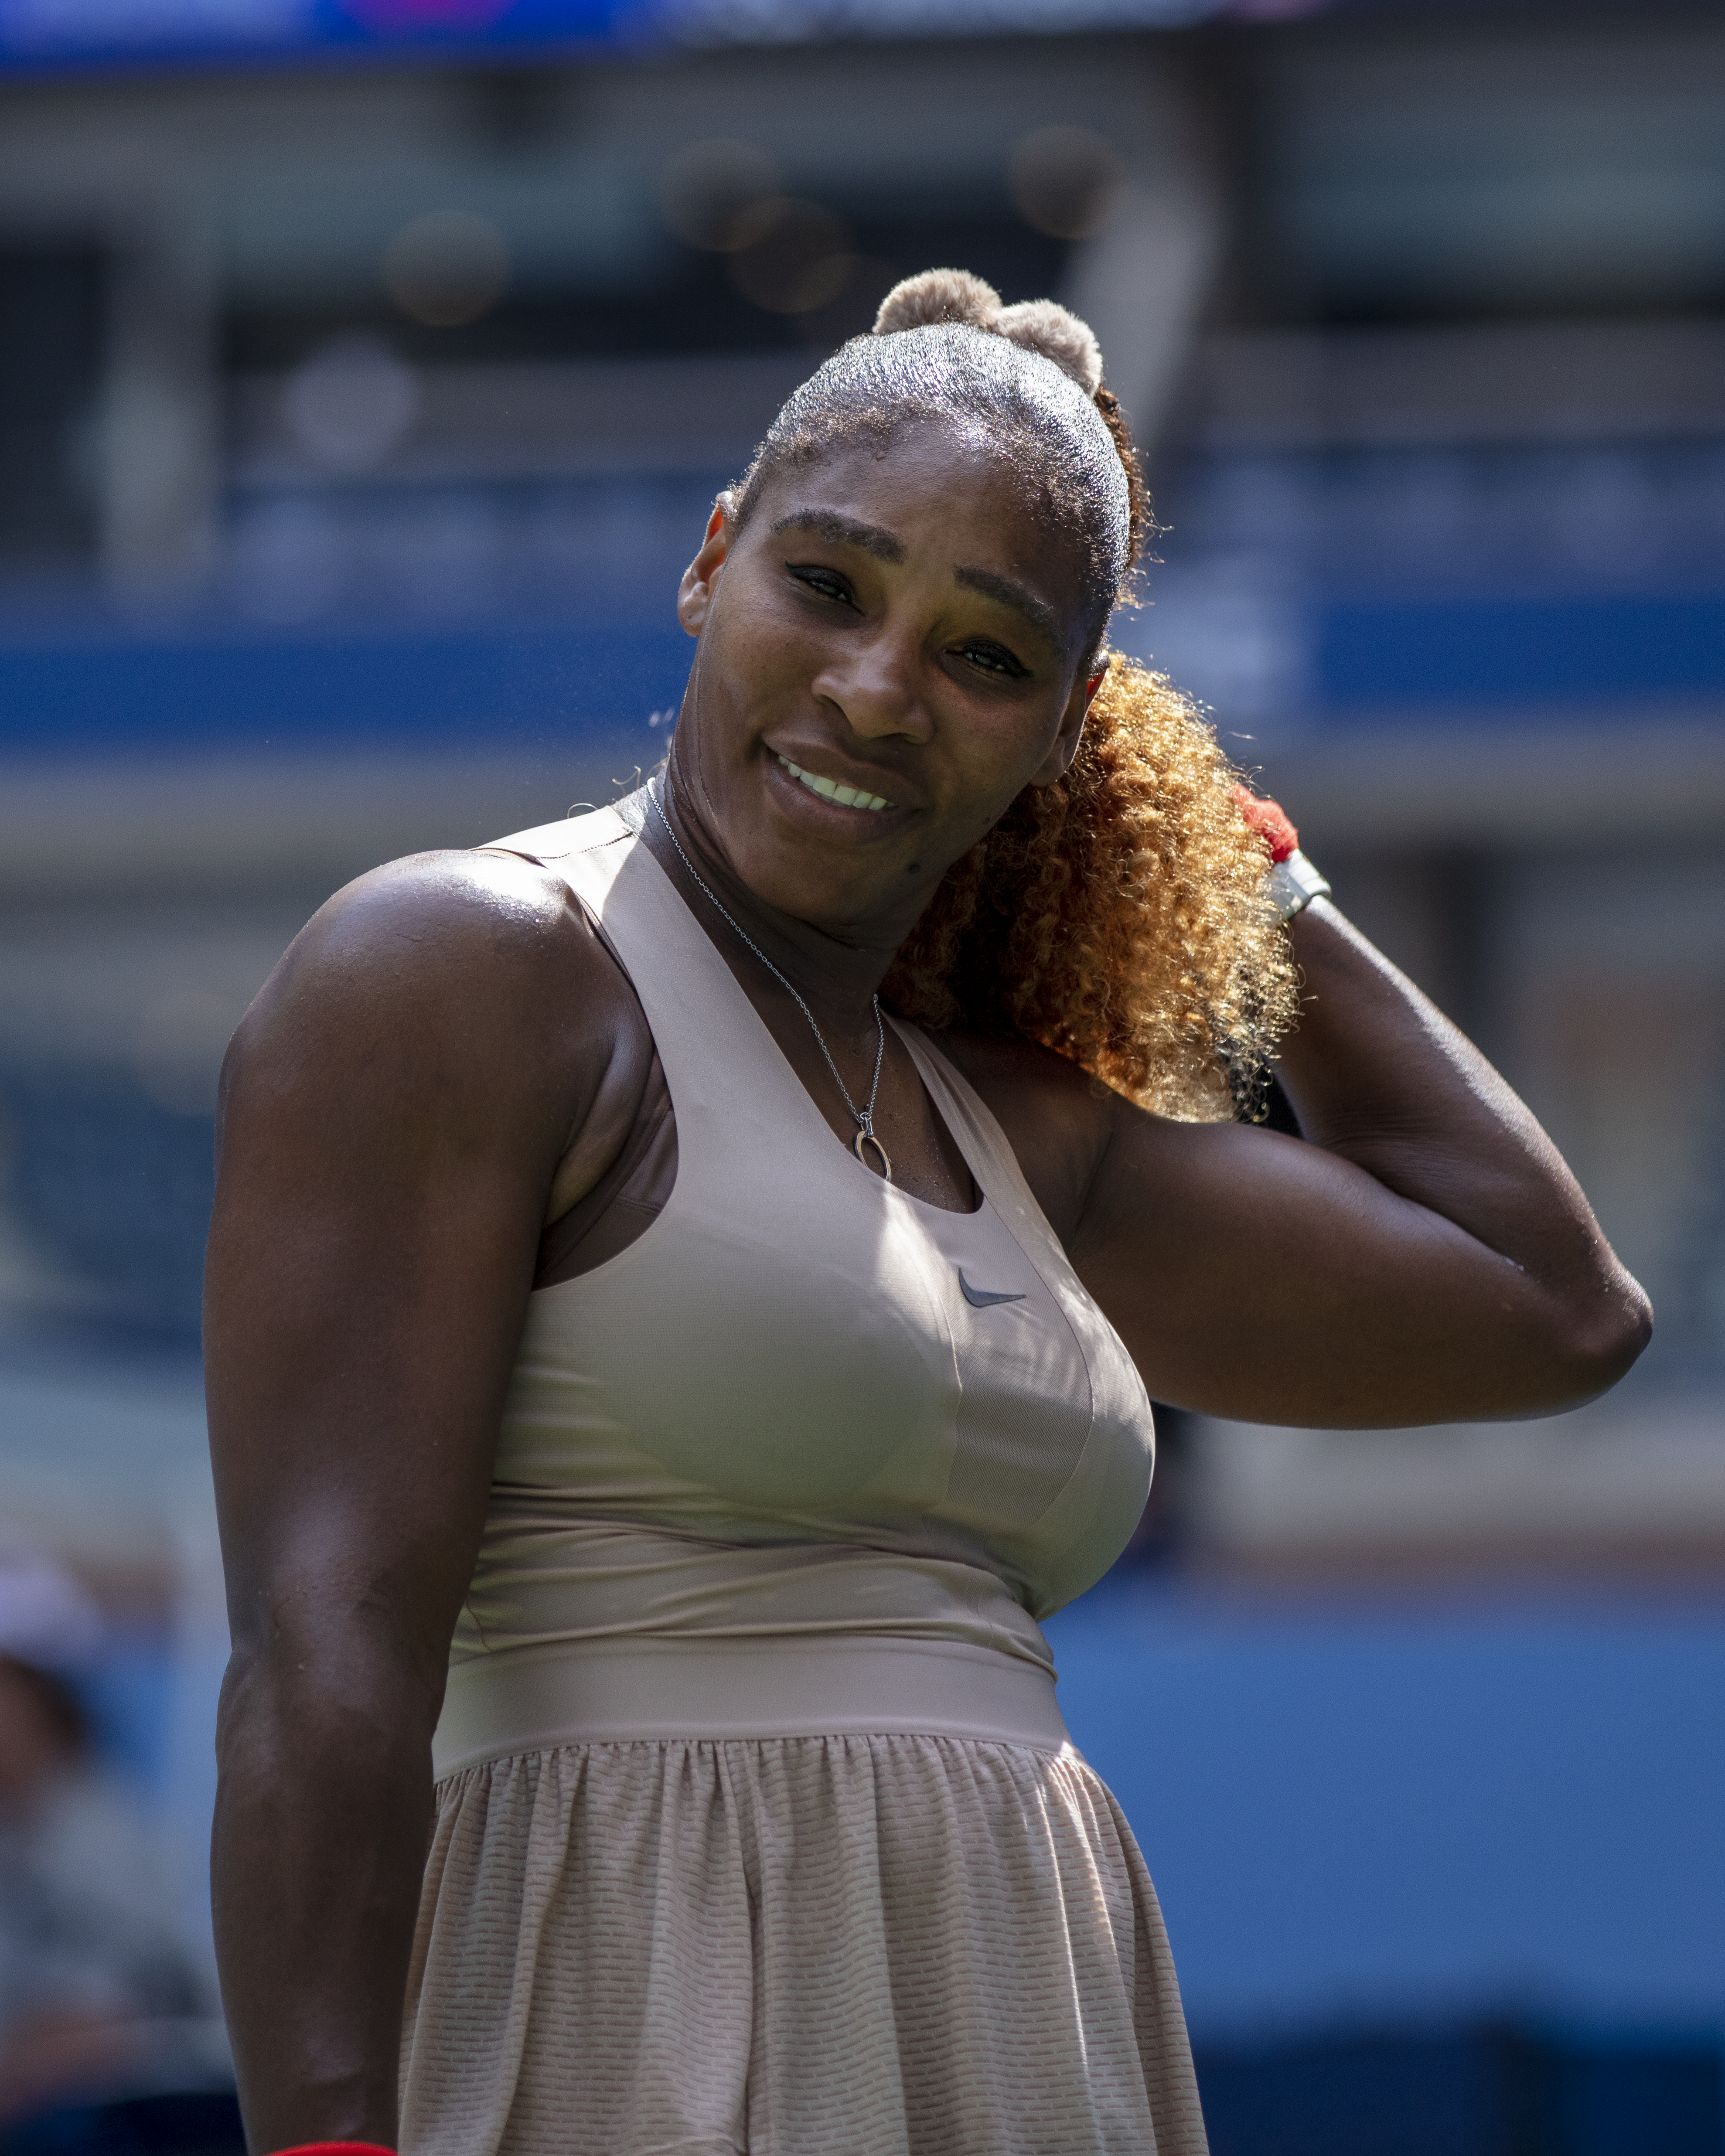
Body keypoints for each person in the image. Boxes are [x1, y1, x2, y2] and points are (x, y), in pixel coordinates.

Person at [202, 269, 1650, 2156]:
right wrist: (324, 2141)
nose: (877, 686)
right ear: (710, 562)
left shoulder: (1006, 1117)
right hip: (617, 2014)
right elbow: (322, 1655)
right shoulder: (471, 971)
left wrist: (1234, 844)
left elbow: (1546, 1306)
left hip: (1015, 2027)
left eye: (986, 656)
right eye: (824, 584)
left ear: (1068, 728)